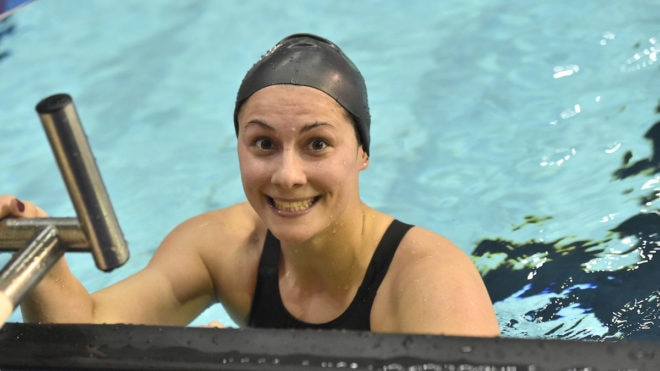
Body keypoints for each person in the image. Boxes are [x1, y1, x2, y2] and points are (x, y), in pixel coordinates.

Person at [0, 34, 500, 336]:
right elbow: (86, 337)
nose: (286, 175)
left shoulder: (430, 279)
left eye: (317, 144)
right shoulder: (219, 248)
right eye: (262, 144)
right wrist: (41, 249)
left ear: (362, 152)